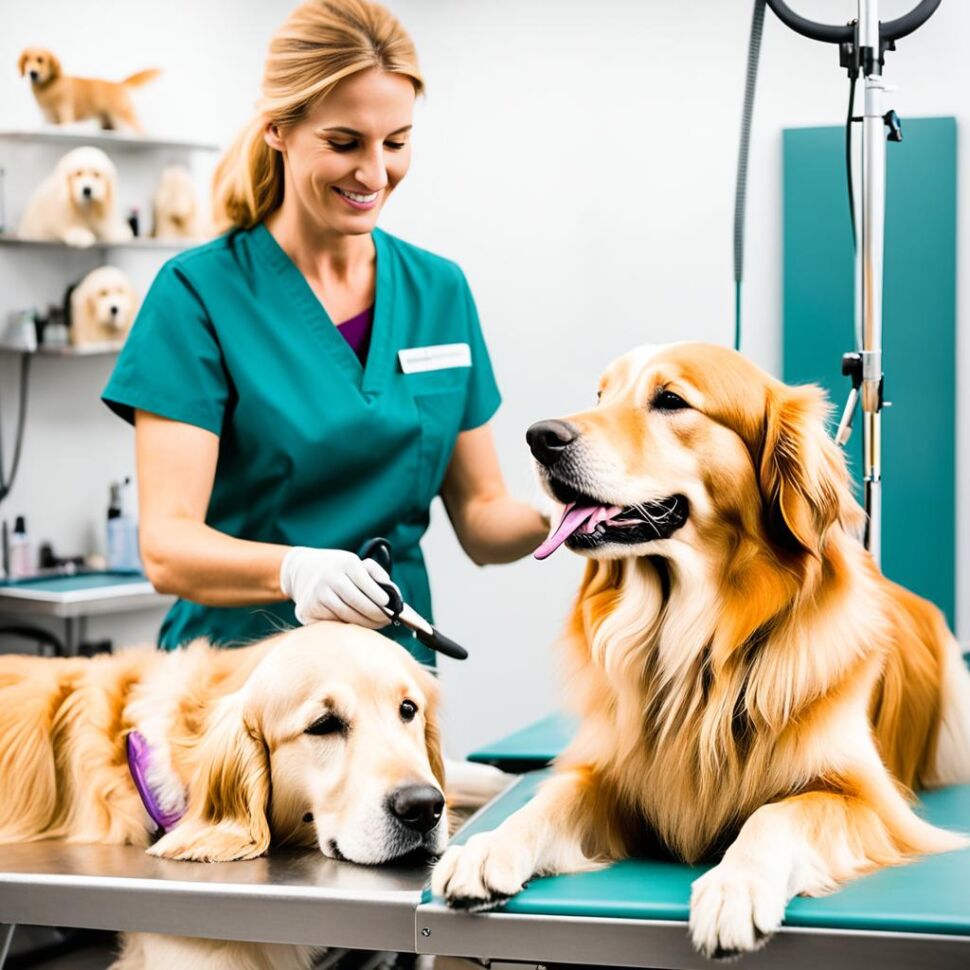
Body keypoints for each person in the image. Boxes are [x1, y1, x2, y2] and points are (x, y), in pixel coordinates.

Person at [102, 0, 548, 664]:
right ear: (279, 129)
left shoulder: (439, 291)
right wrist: (295, 571)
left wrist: (572, 505)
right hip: (233, 689)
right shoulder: (198, 294)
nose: (374, 174)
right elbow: (168, 548)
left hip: (389, 684)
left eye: (396, 142)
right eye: (345, 143)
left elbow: (484, 519)